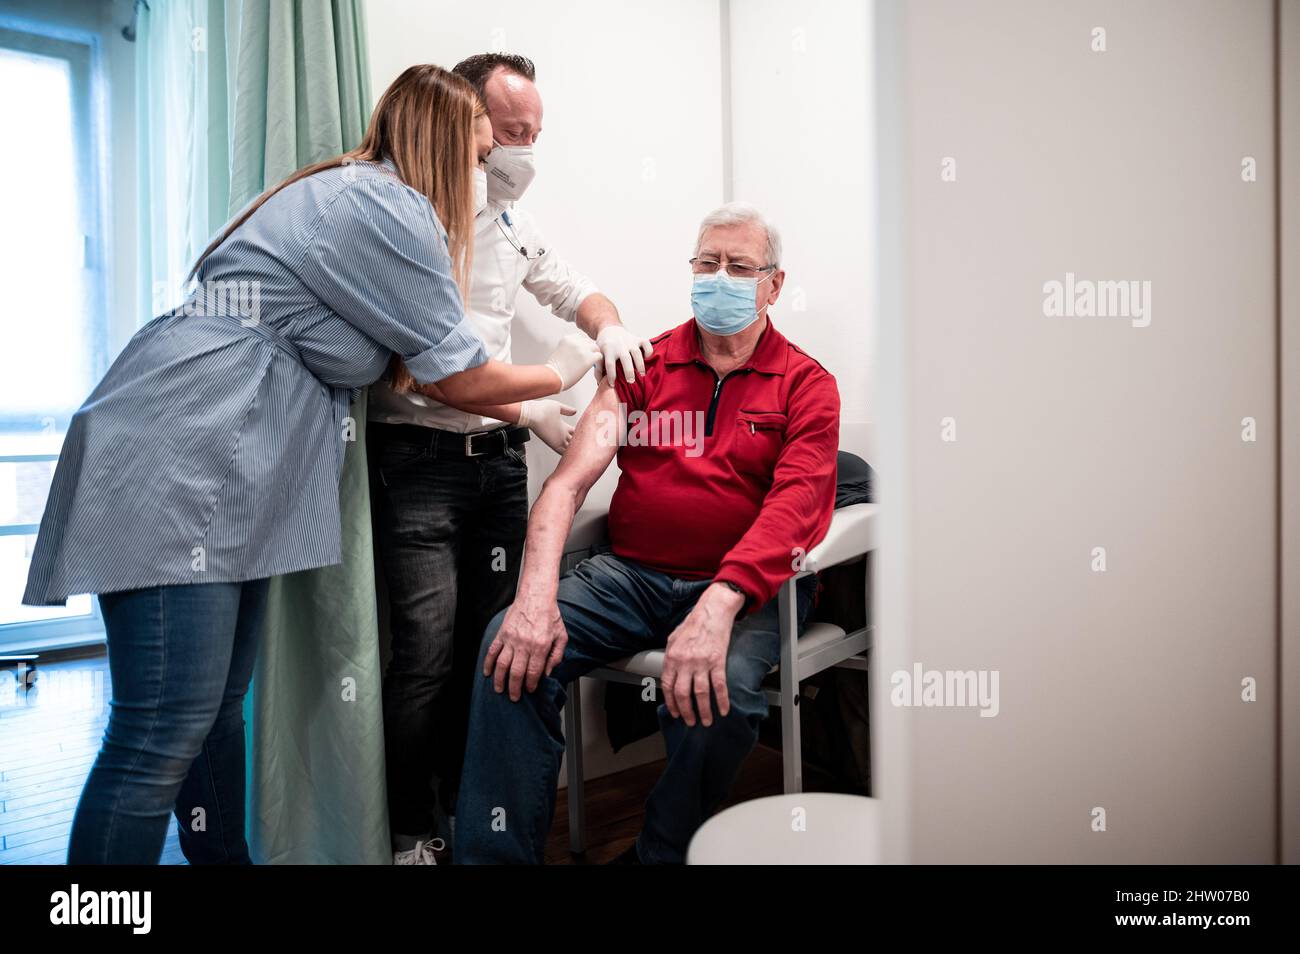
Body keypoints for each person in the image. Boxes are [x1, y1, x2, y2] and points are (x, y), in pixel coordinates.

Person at [22, 64, 601, 865]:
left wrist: (528, 405)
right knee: (160, 730)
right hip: (186, 445)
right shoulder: (387, 207)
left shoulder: (364, 198)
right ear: (439, 146)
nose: (484, 175)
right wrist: (561, 372)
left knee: (218, 712)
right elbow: (455, 374)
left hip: (234, 464)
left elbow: (407, 362)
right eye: (476, 155)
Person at [453, 202, 841, 864]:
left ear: (774, 284)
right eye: (707, 263)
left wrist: (721, 602)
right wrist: (534, 599)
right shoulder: (643, 367)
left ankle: (658, 855)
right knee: (506, 651)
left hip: (744, 588)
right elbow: (566, 486)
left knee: (722, 695)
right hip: (629, 575)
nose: (719, 276)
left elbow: (795, 506)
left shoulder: (807, 385)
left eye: (740, 266)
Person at [367, 53, 651, 864]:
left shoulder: (511, 224)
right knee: (423, 656)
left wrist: (608, 330)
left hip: (493, 467)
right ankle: (412, 835)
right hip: (418, 462)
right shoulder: (411, 221)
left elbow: (577, 292)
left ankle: (473, 820)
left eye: (535, 134)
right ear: (468, 122)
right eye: (510, 132)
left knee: (491, 650)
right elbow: (431, 377)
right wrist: (538, 404)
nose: (522, 149)